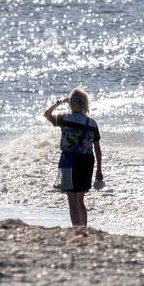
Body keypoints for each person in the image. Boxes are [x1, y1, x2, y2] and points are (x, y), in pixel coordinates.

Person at [44, 88, 103, 228]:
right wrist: (99, 170)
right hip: (87, 162)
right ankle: (84, 229)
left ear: (71, 103)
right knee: (80, 200)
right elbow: (97, 148)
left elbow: (47, 114)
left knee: (72, 200)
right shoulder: (92, 123)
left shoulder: (65, 119)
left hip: (69, 161)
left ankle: (77, 230)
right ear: (85, 104)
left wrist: (59, 103)